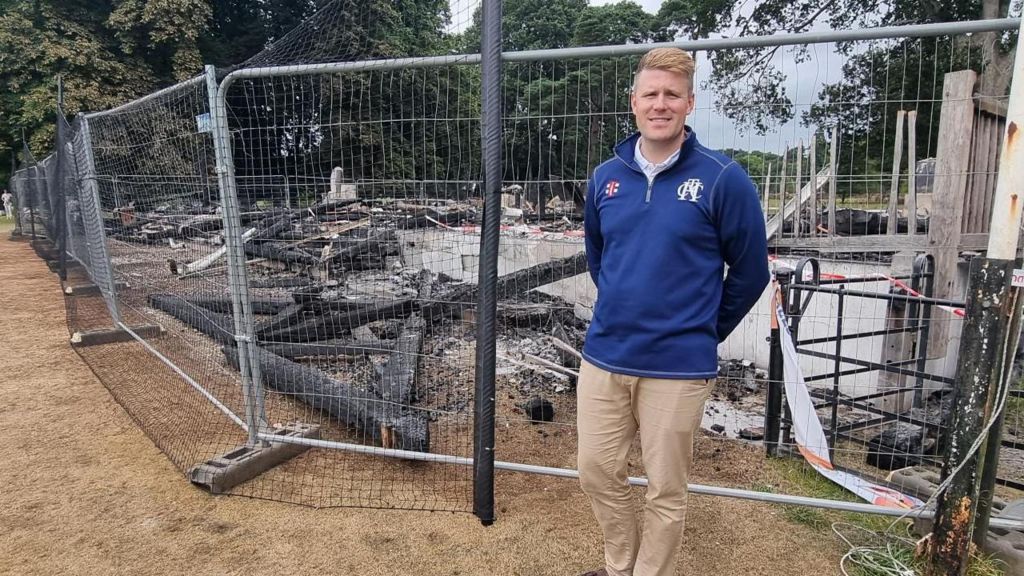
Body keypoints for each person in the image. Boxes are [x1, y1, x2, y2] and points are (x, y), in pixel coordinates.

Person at [579, 47, 770, 576]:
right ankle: (620, 566)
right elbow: (601, 261)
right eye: (650, 94)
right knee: (596, 472)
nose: (660, 104)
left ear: (689, 102)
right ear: (633, 102)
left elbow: (751, 272)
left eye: (671, 95)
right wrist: (625, 306)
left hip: (678, 366)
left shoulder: (721, 178)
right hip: (605, 357)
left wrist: (702, 331)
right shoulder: (605, 178)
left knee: (666, 488)